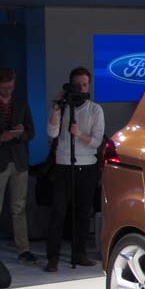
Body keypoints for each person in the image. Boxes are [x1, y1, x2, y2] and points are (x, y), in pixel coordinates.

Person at [45, 67, 105, 272]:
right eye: (77, 85)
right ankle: (52, 257)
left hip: (87, 166)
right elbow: (52, 133)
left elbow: (96, 142)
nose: (81, 88)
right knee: (58, 212)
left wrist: (78, 133)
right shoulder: (62, 107)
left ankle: (79, 253)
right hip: (64, 165)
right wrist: (56, 108)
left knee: (83, 212)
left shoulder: (95, 110)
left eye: (84, 85)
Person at [0, 68, 35, 263]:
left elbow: (32, 132)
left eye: (10, 87)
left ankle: (23, 249)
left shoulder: (21, 104)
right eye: (4, 87)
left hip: (19, 161)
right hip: (1, 161)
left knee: (19, 207)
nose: (8, 91)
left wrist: (21, 133)